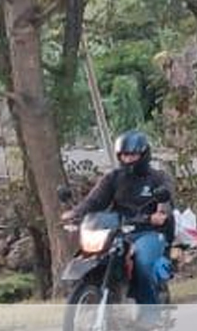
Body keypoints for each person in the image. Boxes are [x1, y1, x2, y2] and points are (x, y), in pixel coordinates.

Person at [66, 130, 175, 315]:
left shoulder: (158, 178)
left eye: (132, 154)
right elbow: (94, 201)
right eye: (124, 155)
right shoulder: (113, 178)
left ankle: (150, 313)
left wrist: (161, 212)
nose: (128, 159)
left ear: (144, 154)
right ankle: (100, 296)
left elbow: (166, 200)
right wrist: (75, 213)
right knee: (96, 256)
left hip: (149, 231)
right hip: (119, 230)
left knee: (142, 262)